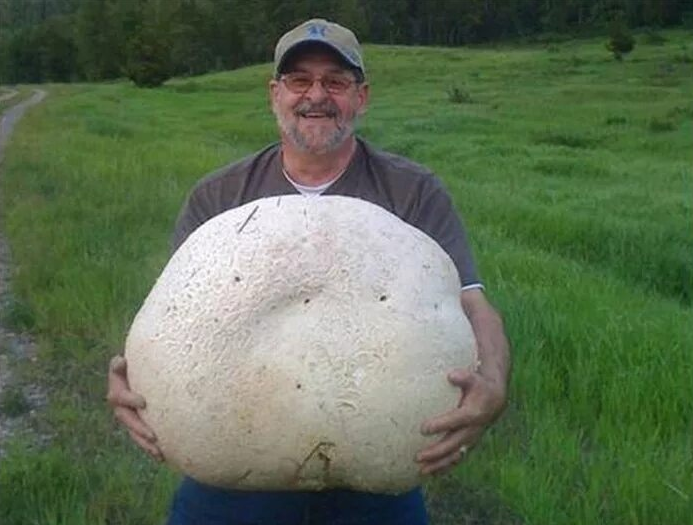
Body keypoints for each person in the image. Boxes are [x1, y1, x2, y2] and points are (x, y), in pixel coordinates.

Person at [107, 18, 510, 525]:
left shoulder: (413, 192)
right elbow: (179, 320)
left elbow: (474, 304)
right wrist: (131, 373)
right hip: (232, 468)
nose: (316, 95)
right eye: (299, 80)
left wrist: (493, 383)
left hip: (379, 460)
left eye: (335, 82)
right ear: (275, 93)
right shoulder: (217, 197)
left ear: (361, 96)